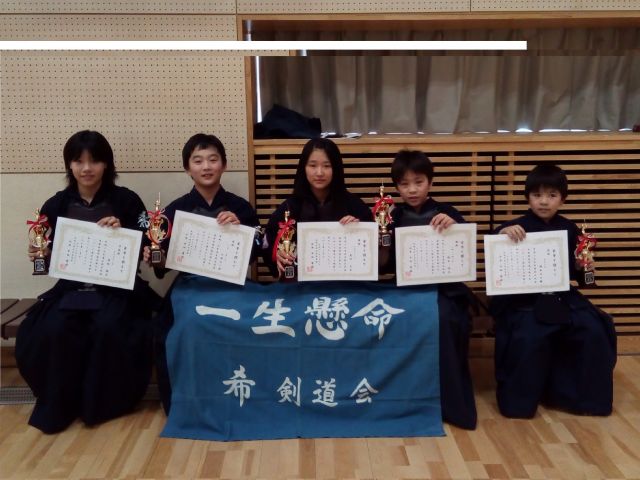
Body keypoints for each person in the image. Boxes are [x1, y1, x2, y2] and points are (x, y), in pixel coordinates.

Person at [16, 130, 155, 434]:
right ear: (69, 165)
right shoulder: (55, 205)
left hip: (118, 289)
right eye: (78, 161)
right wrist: (40, 253)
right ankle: (60, 405)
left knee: (109, 327)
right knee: (53, 329)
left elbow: (149, 246)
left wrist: (123, 232)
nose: (87, 168)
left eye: (95, 161)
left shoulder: (127, 201)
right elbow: (46, 258)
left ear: (107, 164)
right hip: (71, 288)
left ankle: (104, 404)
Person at [143, 133, 260, 413]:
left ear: (224, 165)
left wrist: (240, 230)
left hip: (232, 285)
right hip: (190, 285)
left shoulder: (240, 208)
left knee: (253, 326)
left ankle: (243, 397)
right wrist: (155, 258)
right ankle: (182, 404)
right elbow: (163, 264)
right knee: (167, 330)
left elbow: (256, 254)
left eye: (212, 159)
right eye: (198, 161)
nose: (206, 166)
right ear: (188, 168)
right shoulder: (174, 210)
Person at [491, 164, 617, 418]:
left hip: (562, 296)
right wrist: (502, 233)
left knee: (594, 329)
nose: (544, 201)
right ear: (527, 198)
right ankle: (521, 402)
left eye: (552, 195)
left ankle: (579, 399)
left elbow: (585, 280)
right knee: (530, 335)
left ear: (563, 199)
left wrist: (584, 267)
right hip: (524, 299)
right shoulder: (514, 227)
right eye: (537, 195)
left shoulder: (571, 229)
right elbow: (496, 254)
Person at [380, 150, 477, 430]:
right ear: (396, 187)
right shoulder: (391, 217)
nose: (412, 190)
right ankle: (399, 400)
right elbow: (383, 266)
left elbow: (465, 253)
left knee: (443, 319)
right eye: (404, 184)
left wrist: (455, 227)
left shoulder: (446, 213)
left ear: (430, 182)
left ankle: (449, 404)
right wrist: (381, 238)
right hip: (404, 290)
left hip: (443, 291)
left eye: (418, 182)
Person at [264, 138, 371, 278]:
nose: (319, 172)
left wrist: (359, 232)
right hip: (300, 287)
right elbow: (268, 249)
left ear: (336, 168)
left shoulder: (355, 207)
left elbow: (373, 260)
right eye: (313, 165)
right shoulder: (288, 209)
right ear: (303, 168)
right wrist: (277, 255)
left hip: (345, 285)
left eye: (327, 166)